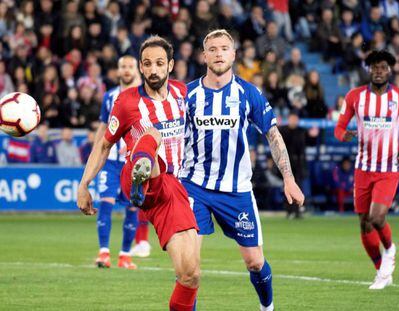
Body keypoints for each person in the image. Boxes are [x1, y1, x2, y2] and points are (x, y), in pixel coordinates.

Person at [180, 29, 304, 311]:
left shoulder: (248, 93)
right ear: (204, 55)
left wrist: (289, 178)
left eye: (224, 48)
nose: (219, 53)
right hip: (193, 187)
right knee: (189, 267)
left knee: (255, 262)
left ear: (233, 55)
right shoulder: (187, 95)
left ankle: (267, 307)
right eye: (212, 49)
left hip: (236, 191)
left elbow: (273, 135)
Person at [77, 36, 200, 311]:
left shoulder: (183, 94)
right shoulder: (125, 102)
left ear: (170, 65)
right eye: (147, 64)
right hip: (136, 175)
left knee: (190, 275)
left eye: (159, 63)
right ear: (141, 69)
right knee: (151, 133)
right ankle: (140, 179)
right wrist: (84, 184)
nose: (153, 70)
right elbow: (104, 145)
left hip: (171, 189)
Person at [334, 50, 399, 289]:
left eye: (383, 67)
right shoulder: (354, 96)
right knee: (364, 223)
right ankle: (381, 271)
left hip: (389, 167)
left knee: (377, 217)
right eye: (374, 67)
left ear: (390, 70)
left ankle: (390, 249)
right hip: (363, 168)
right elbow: (339, 126)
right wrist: (343, 135)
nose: (378, 71)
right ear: (369, 70)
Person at [93, 55, 149, 270]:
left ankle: (125, 255)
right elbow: (103, 128)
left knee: (133, 208)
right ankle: (104, 253)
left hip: (133, 163)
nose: (126, 70)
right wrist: (96, 154)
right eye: (123, 66)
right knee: (105, 203)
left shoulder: (144, 95)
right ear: (118, 71)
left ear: (137, 70)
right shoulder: (109, 97)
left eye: (130, 67)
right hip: (111, 163)